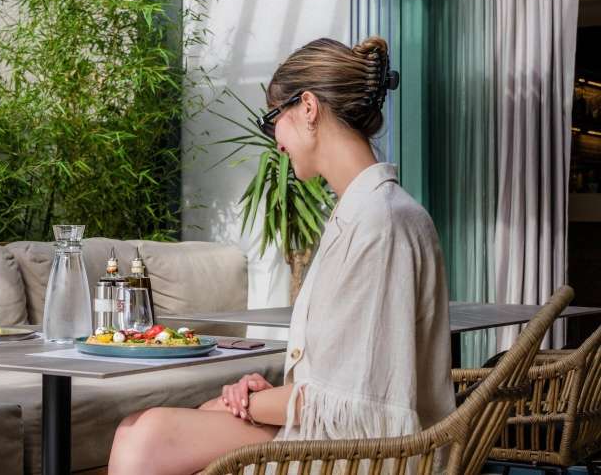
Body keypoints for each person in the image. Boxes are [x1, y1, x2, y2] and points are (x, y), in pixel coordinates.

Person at [108, 37, 455, 475]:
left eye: (274, 119)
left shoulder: (379, 223)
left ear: (307, 107)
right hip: (337, 437)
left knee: (146, 437)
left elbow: (359, 403)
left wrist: (249, 404)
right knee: (139, 430)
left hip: (360, 454)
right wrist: (264, 396)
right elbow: (342, 375)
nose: (276, 141)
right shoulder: (366, 214)